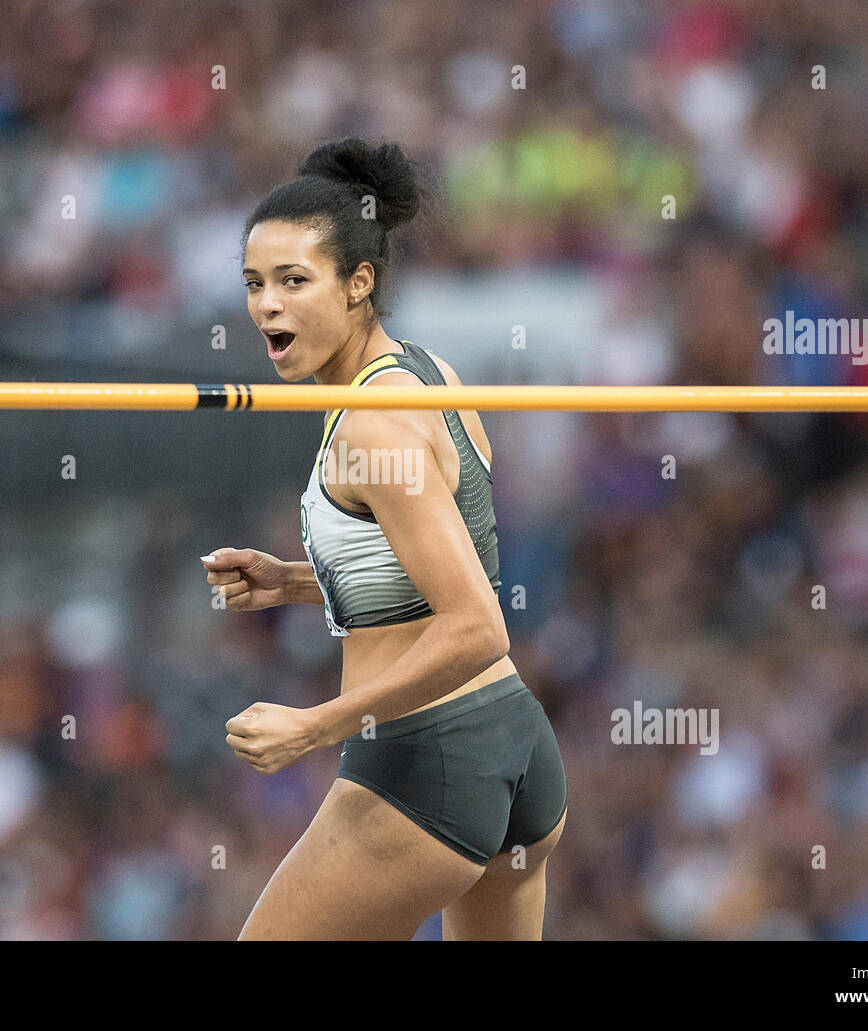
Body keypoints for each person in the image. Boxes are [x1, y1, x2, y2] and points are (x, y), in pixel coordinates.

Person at [201, 137, 568, 940]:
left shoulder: (373, 426)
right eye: (256, 284)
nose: (268, 305)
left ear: (358, 282)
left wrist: (315, 724)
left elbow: (477, 623)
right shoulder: (422, 370)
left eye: (295, 282)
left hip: (427, 765)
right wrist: (298, 579)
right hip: (514, 750)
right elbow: (431, 557)